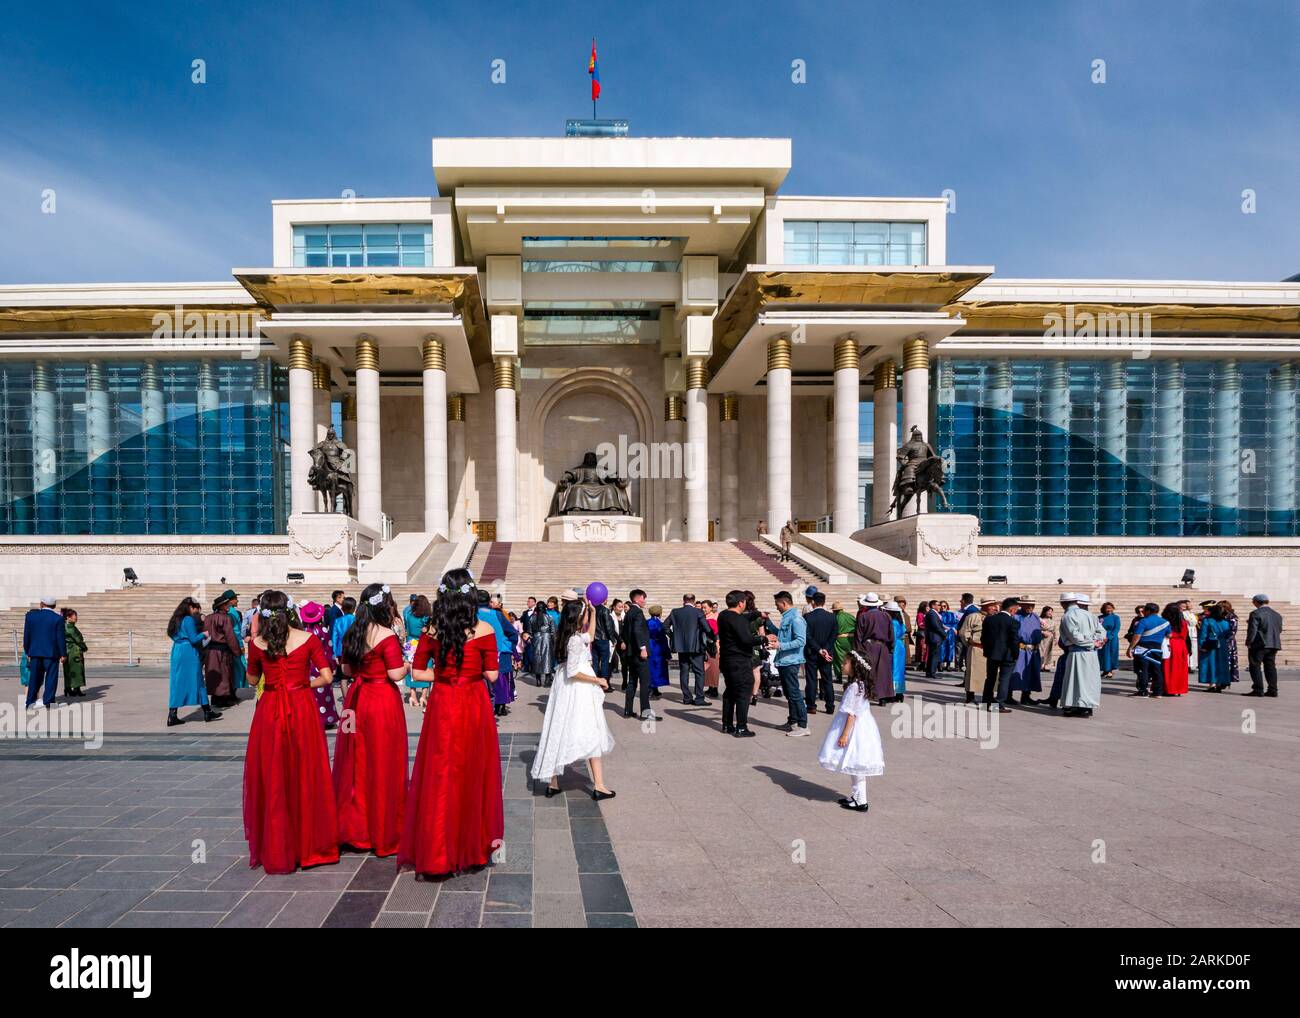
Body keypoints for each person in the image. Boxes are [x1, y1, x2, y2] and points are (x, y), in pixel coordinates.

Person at [399, 568, 504, 877]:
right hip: (473, 702)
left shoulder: (431, 630)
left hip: (444, 702)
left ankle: (437, 854)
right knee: (474, 771)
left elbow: (416, 674)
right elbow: (493, 676)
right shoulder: (484, 629)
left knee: (441, 772)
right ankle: (472, 850)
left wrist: (445, 675)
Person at [242, 589, 340, 874]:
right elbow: (327, 676)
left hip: (270, 709)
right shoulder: (308, 639)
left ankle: (278, 846)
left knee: (274, 774)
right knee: (305, 771)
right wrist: (300, 685)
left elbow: (251, 679)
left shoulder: (258, 643)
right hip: (301, 708)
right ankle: (310, 844)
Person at [334, 582, 409, 857]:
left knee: (356, 762)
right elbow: (395, 674)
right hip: (380, 700)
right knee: (383, 760)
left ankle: (356, 827)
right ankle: (383, 827)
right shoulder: (386, 634)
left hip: (357, 698)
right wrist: (409, 665)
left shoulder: (353, 631)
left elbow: (345, 669)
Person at [531, 597, 617, 799]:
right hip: (578, 688)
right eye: (584, 613)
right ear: (577, 618)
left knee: (558, 729)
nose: (586, 616)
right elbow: (573, 672)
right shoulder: (575, 640)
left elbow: (592, 635)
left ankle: (553, 782)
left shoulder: (568, 635)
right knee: (591, 730)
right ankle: (599, 785)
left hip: (564, 687)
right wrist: (598, 680)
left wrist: (593, 612)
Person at [817, 658, 885, 814]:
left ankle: (861, 800)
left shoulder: (855, 687)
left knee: (856, 764)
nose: (842, 665)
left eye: (846, 662)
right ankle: (856, 795)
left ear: (855, 666)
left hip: (854, 729)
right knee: (854, 762)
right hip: (863, 726)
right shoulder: (860, 684)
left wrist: (844, 735)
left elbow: (852, 714)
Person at [167, 597, 220, 725]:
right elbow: (194, 639)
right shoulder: (188, 619)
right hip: (188, 651)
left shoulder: (176, 619)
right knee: (199, 680)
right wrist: (204, 634)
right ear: (190, 607)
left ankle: (172, 714)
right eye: (196, 609)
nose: (196, 611)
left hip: (177, 650)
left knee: (176, 682)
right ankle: (207, 711)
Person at [717, 589, 763, 737]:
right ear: (741, 603)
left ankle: (727, 724)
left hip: (727, 660)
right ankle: (741, 727)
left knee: (730, 692)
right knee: (743, 693)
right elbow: (747, 640)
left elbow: (743, 619)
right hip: (739, 661)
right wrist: (764, 639)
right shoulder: (736, 619)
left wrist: (757, 614)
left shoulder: (723, 615)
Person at [1056, 593, 1103, 717]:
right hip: (1091, 653)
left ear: (1063, 603)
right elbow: (1101, 631)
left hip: (1078, 652)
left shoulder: (1068, 615)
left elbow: (1074, 636)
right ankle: (1086, 705)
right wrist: (1097, 641)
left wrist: (1090, 642)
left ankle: (1073, 705)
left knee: (1075, 679)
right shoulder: (1090, 615)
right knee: (1089, 680)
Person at [770, 590, 809, 736]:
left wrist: (780, 646)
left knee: (794, 693)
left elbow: (801, 641)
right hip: (784, 661)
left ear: (784, 603)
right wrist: (767, 623)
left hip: (791, 661)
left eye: (777, 604)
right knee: (789, 693)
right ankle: (792, 721)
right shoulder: (787, 618)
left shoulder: (796, 619)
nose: (776, 607)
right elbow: (782, 635)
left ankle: (803, 725)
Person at [298, 601, 341, 727]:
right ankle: (326, 718)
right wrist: (332, 666)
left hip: (306, 666)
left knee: (310, 693)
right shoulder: (322, 630)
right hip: (321, 665)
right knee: (324, 693)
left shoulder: (302, 630)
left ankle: (310, 718)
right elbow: (328, 649)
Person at [666, 594, 713, 707]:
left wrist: (673, 637)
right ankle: (699, 698)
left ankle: (687, 698)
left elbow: (664, 626)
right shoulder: (698, 612)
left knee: (684, 672)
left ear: (683, 601)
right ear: (694, 601)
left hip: (682, 648)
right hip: (696, 647)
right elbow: (707, 629)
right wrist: (712, 639)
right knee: (699, 673)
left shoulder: (675, 612)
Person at [23, 595, 67, 709]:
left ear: (41, 604)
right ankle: (48, 702)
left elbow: (26, 635)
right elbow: (60, 638)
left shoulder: (31, 617)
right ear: (54, 605)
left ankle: (30, 702)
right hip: (51, 653)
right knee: (51, 678)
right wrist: (63, 654)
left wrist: (27, 650)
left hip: (35, 652)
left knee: (34, 678)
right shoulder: (58, 618)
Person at [852, 592, 896, 704]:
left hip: (868, 646)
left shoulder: (863, 616)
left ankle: (868, 694)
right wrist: (891, 648)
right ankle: (883, 697)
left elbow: (858, 635)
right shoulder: (886, 616)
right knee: (883, 673)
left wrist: (857, 651)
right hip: (882, 646)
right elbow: (891, 633)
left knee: (868, 671)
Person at [478, 590, 516, 717]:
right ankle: (496, 708)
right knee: (498, 682)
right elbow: (512, 632)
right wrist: (509, 645)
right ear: (488, 601)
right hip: (497, 653)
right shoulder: (497, 615)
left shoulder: (468, 615)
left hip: (476, 655)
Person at [980, 596, 1021, 713]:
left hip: (992, 654)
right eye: (1016, 610)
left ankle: (985, 702)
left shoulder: (989, 619)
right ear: (1012, 609)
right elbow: (1014, 640)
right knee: (1004, 679)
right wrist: (1015, 654)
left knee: (990, 678)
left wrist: (988, 651)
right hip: (1007, 655)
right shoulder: (1013, 622)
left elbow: (984, 638)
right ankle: (998, 704)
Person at [203, 591, 241, 709]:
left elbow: (204, 635)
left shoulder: (208, 618)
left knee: (213, 674)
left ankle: (214, 699)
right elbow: (230, 636)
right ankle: (222, 700)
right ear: (221, 606)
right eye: (226, 605)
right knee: (224, 675)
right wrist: (237, 651)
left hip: (210, 651)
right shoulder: (225, 618)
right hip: (222, 651)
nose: (228, 606)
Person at [622, 589, 654, 720]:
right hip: (639, 654)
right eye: (643, 598)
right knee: (645, 683)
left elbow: (626, 632)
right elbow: (638, 631)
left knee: (632, 682)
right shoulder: (638, 612)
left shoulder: (629, 613)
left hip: (631, 654)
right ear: (636, 599)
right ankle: (645, 713)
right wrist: (643, 648)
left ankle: (628, 710)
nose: (644, 601)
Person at [803, 591, 837, 714]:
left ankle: (811, 705)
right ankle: (830, 705)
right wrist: (825, 650)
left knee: (811, 679)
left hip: (812, 652)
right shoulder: (832, 617)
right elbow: (833, 636)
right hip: (827, 654)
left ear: (813, 602)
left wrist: (818, 649)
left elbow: (807, 636)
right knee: (827, 679)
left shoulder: (807, 617)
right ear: (824, 602)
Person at [960, 597, 997, 704]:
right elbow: (963, 633)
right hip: (977, 648)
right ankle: (970, 696)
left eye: (994, 605)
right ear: (985, 606)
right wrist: (970, 644)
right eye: (991, 605)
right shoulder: (973, 617)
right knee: (973, 673)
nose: (994, 608)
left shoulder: (995, 618)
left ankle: (989, 696)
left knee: (991, 674)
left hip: (991, 650)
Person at [1127, 602, 1169, 698]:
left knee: (1142, 670)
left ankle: (1143, 692)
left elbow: (1137, 636)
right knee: (1157, 671)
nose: (1143, 612)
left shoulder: (1143, 621)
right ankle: (1158, 692)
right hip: (1157, 648)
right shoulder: (1165, 622)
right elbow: (1169, 635)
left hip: (1143, 648)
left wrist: (1130, 648)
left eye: (1144, 610)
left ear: (1149, 611)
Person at [1244, 594, 1282, 697]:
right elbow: (1279, 629)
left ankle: (1258, 689)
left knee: (1255, 666)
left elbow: (1253, 630)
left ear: (1256, 602)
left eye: (1253, 601)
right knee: (1270, 667)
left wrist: (1249, 642)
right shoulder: (1277, 614)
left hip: (1259, 644)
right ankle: (1273, 689)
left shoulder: (1255, 613)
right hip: (1273, 644)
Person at [1010, 596, 1043, 706]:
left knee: (1031, 674)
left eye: (1032, 605)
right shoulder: (1016, 617)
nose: (1030, 607)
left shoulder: (1035, 617)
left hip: (1033, 650)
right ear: (1021, 605)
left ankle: (1026, 696)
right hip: (1020, 649)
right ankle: (1008, 695)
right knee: (1015, 673)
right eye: (1027, 604)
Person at [402, 594, 433, 709]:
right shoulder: (426, 617)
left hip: (410, 642)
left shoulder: (408, 614)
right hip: (422, 642)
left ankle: (412, 695)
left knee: (411, 668)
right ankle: (423, 696)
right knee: (426, 667)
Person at [1197, 600, 1232, 691]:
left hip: (1210, 644)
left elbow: (1203, 634)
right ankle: (1219, 683)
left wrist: (1201, 645)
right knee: (1221, 663)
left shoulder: (1207, 620)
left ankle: (1212, 684)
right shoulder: (1225, 622)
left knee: (1210, 663)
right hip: (1222, 645)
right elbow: (1228, 634)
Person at [527, 595, 559, 687]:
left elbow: (529, 631)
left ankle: (538, 680)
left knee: (537, 659)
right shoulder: (549, 617)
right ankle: (547, 679)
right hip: (547, 638)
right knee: (547, 658)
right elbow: (553, 631)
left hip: (536, 638)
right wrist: (554, 642)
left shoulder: (532, 618)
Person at [1161, 602, 1190, 696]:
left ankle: (1168, 688)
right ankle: (1179, 688)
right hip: (1181, 645)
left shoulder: (1164, 622)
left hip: (1168, 644)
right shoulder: (1183, 622)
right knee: (1180, 668)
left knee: (1167, 667)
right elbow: (1185, 635)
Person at [885, 600, 907, 700]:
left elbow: (892, 637)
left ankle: (891, 693)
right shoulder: (900, 621)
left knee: (893, 669)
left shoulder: (892, 622)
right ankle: (899, 693)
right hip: (900, 645)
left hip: (894, 646)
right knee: (899, 670)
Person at [61, 609, 87, 697]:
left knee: (69, 670)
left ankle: (69, 688)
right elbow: (78, 639)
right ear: (68, 618)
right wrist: (84, 647)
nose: (76, 617)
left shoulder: (67, 626)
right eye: (74, 616)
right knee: (76, 670)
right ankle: (75, 689)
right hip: (73, 652)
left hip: (68, 651)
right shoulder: (70, 627)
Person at [646, 605, 671, 696]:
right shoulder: (660, 624)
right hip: (658, 647)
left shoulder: (647, 622)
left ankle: (652, 688)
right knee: (657, 668)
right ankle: (654, 688)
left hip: (649, 646)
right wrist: (668, 653)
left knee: (650, 668)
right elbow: (663, 639)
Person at [831, 600, 856, 679]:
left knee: (838, 659)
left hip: (839, 640)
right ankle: (851, 676)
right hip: (851, 639)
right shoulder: (850, 616)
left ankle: (839, 677)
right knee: (850, 657)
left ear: (834, 611)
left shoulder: (835, 617)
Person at [1219, 600, 1241, 687]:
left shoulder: (1231, 617)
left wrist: (1224, 639)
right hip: (1222, 641)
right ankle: (1223, 680)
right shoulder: (1221, 616)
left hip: (1228, 642)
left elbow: (1233, 631)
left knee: (1228, 661)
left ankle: (1225, 681)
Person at [702, 601, 721, 698]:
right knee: (708, 668)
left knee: (714, 668)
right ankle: (710, 687)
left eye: (705, 607)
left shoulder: (715, 617)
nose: (703, 609)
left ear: (710, 608)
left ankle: (715, 688)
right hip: (706, 645)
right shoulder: (704, 617)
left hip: (713, 646)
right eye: (702, 607)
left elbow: (717, 633)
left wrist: (717, 644)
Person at [1097, 603, 1121, 679]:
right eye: (1107, 608)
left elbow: (1116, 629)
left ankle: (1110, 670)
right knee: (1103, 654)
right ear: (1104, 609)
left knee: (1111, 653)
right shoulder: (1100, 617)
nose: (1109, 610)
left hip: (1112, 638)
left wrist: (1109, 637)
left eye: (1110, 608)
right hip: (1101, 637)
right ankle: (1105, 670)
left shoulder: (1116, 617)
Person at [331, 596, 357, 661]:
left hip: (341, 650)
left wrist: (335, 653)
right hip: (355, 649)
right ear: (354, 608)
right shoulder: (357, 619)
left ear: (342, 608)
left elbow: (334, 638)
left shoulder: (338, 620)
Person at [1039, 605, 1058, 673]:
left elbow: (1055, 631)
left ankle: (1046, 666)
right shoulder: (1039, 619)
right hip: (1042, 638)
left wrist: (1056, 639)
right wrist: (1042, 632)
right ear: (1044, 612)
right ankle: (1041, 665)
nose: (1050, 613)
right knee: (1041, 651)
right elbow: (1035, 628)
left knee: (1049, 652)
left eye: (1051, 612)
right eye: (1049, 611)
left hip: (1050, 639)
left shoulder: (1052, 621)